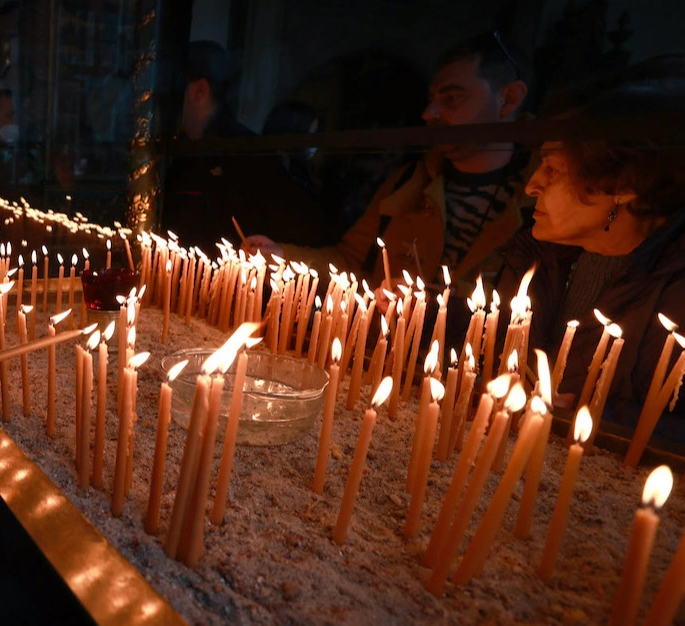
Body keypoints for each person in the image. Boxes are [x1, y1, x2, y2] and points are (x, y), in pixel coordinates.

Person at [493, 71, 685, 440]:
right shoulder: (538, 257)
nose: (531, 186)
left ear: (622, 185)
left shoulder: (675, 288)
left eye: (551, 169)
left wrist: (599, 417)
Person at [273, 32, 533, 287]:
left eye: (452, 98)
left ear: (508, 100)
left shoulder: (539, 199)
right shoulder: (409, 182)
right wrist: (281, 256)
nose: (429, 113)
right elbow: (350, 260)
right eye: (432, 99)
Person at [161, 41, 338, 256]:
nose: (160, 97)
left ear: (199, 91)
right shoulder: (182, 151)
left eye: (169, 87)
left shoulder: (245, 154)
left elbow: (307, 227)